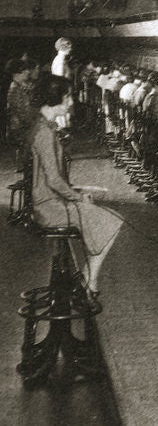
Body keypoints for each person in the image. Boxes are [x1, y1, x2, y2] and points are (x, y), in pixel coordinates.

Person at [27, 74, 122, 296]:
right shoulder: (44, 132)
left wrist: (79, 192)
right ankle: (91, 281)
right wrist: (78, 197)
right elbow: (53, 180)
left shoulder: (43, 127)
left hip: (48, 200)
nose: (71, 101)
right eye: (67, 96)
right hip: (49, 207)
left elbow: (50, 178)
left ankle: (88, 278)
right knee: (113, 222)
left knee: (105, 218)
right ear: (54, 98)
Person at [5, 57, 36, 149]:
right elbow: (22, 112)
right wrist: (35, 124)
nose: (28, 72)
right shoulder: (15, 89)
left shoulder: (22, 87)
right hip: (21, 129)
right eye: (24, 70)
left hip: (25, 126)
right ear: (17, 72)